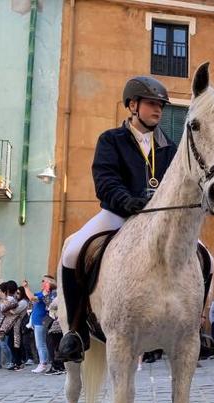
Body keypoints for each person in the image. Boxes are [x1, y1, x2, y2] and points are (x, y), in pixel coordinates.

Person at [56, 76, 176, 363]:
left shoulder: (170, 147)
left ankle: (191, 325)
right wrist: (127, 200)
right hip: (117, 215)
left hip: (157, 221)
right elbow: (105, 179)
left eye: (160, 105)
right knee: (73, 252)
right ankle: (75, 329)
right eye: (151, 103)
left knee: (203, 255)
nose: (158, 109)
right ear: (133, 105)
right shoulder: (111, 139)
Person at [24, 276, 56, 373]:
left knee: (40, 344)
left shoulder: (46, 295)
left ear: (48, 284)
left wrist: (26, 287)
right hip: (37, 321)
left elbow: (32, 298)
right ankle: (43, 363)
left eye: (43, 281)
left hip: (40, 322)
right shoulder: (41, 293)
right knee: (40, 344)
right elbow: (31, 296)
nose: (41, 282)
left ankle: (43, 364)